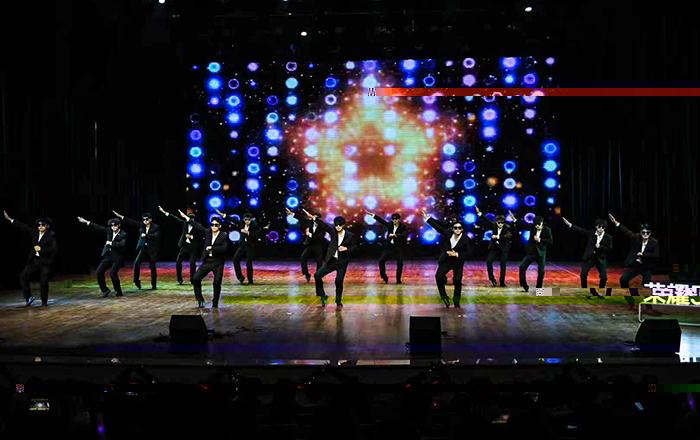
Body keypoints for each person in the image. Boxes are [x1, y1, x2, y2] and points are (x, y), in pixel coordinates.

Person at [302, 209, 358, 307]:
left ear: (343, 225)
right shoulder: (333, 232)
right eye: (336, 225)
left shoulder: (350, 236)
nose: (338, 227)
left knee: (338, 281)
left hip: (342, 262)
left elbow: (355, 247)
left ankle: (338, 301)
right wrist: (314, 218)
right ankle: (323, 295)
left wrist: (346, 248)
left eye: (340, 225)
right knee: (317, 276)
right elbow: (324, 225)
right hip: (331, 261)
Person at [608, 214, 661, 312]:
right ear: (640, 233)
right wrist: (615, 223)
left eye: (647, 233)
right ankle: (630, 301)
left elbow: (656, 255)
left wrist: (643, 254)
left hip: (646, 267)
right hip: (636, 265)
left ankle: (648, 306)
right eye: (643, 232)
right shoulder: (636, 238)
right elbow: (626, 231)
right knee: (623, 280)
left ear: (650, 233)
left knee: (646, 286)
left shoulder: (654, 242)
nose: (645, 234)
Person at [4, 210, 57, 306]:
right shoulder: (35, 232)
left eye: (43, 225)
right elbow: (23, 227)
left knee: (43, 281)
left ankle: (44, 302)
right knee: (23, 276)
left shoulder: (51, 235)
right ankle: (28, 297)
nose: (40, 227)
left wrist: (41, 249)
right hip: (35, 260)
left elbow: (53, 249)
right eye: (39, 225)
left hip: (45, 262)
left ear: (47, 226)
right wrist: (10, 219)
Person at [422, 210, 473, 308]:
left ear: (462, 229)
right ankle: (444, 296)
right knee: (438, 277)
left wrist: (456, 254)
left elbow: (469, 253)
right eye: (455, 228)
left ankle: (456, 301)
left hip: (458, 262)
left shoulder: (466, 239)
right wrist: (427, 218)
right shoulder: (448, 233)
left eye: (459, 228)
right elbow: (438, 227)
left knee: (457, 281)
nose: (457, 229)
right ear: (452, 229)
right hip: (447, 260)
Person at [179, 210, 228, 308]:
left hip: (218, 263)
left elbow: (224, 248)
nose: (213, 227)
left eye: (216, 225)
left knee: (217, 283)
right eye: (212, 224)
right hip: (207, 261)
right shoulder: (208, 232)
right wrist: (186, 218)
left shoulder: (223, 235)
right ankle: (200, 300)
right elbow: (197, 226)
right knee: (196, 279)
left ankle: (215, 303)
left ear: (220, 226)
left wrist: (212, 248)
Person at [77, 216, 128, 297]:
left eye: (115, 225)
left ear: (119, 225)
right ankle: (105, 290)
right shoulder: (109, 231)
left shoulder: (123, 234)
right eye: (111, 225)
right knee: (99, 272)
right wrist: (86, 222)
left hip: (117, 258)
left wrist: (111, 243)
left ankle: (118, 291)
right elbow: (98, 227)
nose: (113, 227)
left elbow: (122, 244)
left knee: (113, 274)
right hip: (108, 256)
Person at [112, 210, 161, 290]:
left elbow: (156, 236)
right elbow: (132, 222)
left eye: (146, 219)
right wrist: (120, 216)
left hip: (152, 250)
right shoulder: (141, 225)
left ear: (150, 219)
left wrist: (146, 235)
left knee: (152, 267)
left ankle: (154, 285)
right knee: (136, 263)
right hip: (143, 248)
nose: (145, 221)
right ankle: (136, 281)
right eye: (144, 219)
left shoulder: (156, 227)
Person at [561, 216, 613, 292]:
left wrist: (600, 247)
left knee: (604, 277)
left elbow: (610, 248)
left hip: (600, 258)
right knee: (583, 275)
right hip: (590, 257)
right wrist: (570, 225)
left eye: (603, 227)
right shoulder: (591, 233)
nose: (601, 229)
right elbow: (581, 230)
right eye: (599, 227)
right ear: (596, 226)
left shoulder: (608, 237)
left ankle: (601, 290)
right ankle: (584, 290)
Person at [510, 211, 553, 292]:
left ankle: (539, 289)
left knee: (541, 271)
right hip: (532, 252)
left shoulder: (547, 230)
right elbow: (522, 225)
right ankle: (524, 285)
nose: (537, 226)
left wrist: (540, 240)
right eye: (536, 225)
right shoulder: (532, 227)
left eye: (539, 225)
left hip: (541, 253)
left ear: (542, 223)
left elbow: (550, 241)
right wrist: (514, 219)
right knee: (522, 267)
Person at [159, 206, 202, 285]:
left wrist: (191, 236)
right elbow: (175, 219)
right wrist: (164, 212)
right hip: (185, 246)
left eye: (192, 219)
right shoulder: (184, 223)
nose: (190, 220)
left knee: (192, 263)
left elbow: (201, 237)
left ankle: (193, 279)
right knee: (178, 261)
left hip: (193, 247)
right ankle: (180, 279)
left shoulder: (197, 226)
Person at [364, 209, 408, 284]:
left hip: (398, 248)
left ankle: (398, 280)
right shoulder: (390, 225)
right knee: (381, 261)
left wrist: (395, 235)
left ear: (399, 220)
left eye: (396, 219)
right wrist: (373, 215)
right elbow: (382, 221)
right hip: (390, 247)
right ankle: (384, 277)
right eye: (393, 219)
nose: (394, 221)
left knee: (400, 264)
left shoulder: (403, 227)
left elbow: (404, 234)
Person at [217, 210, 260, 285]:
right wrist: (224, 215)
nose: (247, 221)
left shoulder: (255, 225)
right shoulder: (242, 223)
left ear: (251, 220)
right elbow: (233, 220)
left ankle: (250, 280)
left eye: (248, 220)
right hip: (242, 245)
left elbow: (257, 234)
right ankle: (240, 277)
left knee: (248, 263)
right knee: (235, 259)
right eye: (245, 220)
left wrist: (248, 233)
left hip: (250, 246)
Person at [286, 207, 327, 283]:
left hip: (318, 245)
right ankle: (306, 274)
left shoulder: (322, 226)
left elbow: (320, 236)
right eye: (313, 217)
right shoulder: (309, 223)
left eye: (315, 217)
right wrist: (292, 214)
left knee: (319, 261)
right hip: (310, 245)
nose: (313, 218)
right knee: (303, 258)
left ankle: (318, 277)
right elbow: (301, 219)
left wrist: (310, 235)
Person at [475, 206, 512, 287]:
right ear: (496, 222)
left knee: (503, 264)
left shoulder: (507, 227)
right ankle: (492, 279)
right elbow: (486, 220)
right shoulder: (494, 225)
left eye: (502, 223)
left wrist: (497, 237)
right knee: (489, 261)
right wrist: (479, 213)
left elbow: (508, 236)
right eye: (499, 223)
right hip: (495, 247)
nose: (500, 224)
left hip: (503, 248)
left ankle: (502, 281)